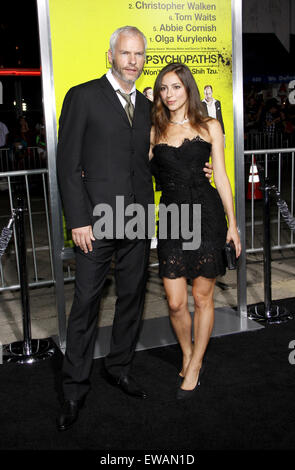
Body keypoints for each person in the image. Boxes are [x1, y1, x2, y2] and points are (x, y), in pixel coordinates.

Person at [56, 27, 213, 431]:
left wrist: (203, 169)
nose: (132, 61)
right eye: (125, 53)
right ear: (110, 55)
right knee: (86, 303)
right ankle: (74, 387)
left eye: (138, 54)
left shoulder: (149, 108)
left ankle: (120, 366)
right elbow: (68, 164)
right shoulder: (83, 96)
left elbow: (159, 159)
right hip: (96, 222)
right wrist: (78, 219)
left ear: (144, 59)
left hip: (139, 220)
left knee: (131, 298)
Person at [150, 63, 241, 400]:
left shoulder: (209, 126)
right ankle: (187, 353)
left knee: (202, 298)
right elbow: (141, 172)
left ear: (188, 88)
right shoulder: (154, 130)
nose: (169, 94)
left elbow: (222, 177)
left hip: (207, 217)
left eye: (175, 87)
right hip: (173, 218)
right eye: (163, 88)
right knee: (175, 302)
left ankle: (197, 361)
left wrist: (233, 225)